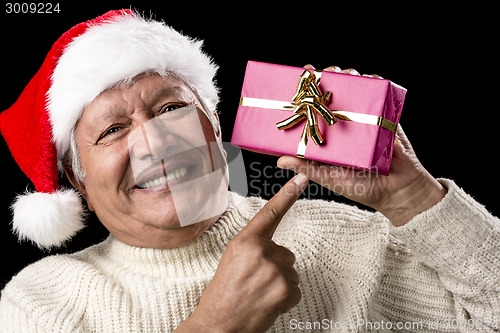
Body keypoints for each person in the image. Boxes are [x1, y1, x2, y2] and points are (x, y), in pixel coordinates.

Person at [0, 9, 498, 333]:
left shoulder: (351, 241)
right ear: (78, 177)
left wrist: (413, 199)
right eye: (112, 130)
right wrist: (217, 325)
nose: (154, 142)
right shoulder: (41, 303)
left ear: (213, 124)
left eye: (171, 109)